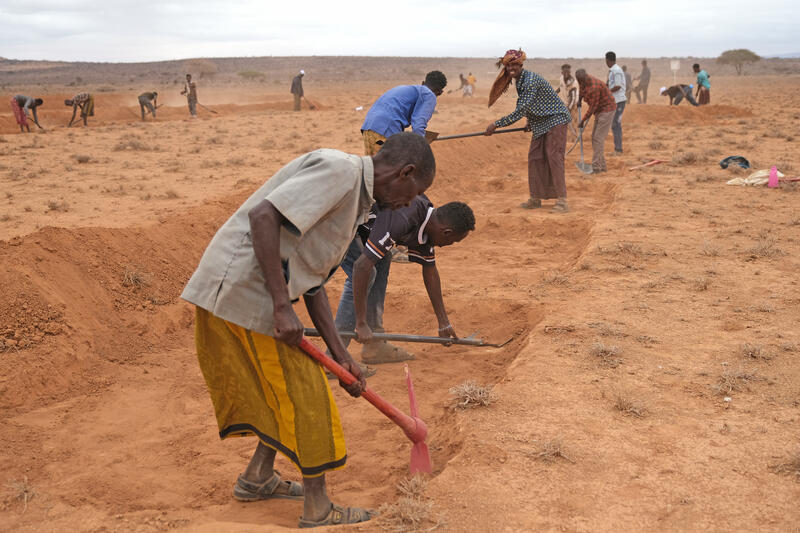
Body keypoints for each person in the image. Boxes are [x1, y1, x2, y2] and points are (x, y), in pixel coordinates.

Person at [181, 132, 435, 529]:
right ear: (405, 172)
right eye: (413, 194)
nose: (408, 204)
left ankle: (257, 477)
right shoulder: (340, 172)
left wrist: (341, 354)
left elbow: (314, 282)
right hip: (243, 295)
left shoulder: (356, 204)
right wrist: (282, 306)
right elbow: (263, 217)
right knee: (308, 395)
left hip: (253, 296)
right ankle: (318, 509)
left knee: (284, 391)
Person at [333, 197, 475, 364]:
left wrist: (444, 322)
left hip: (360, 223)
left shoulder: (427, 222)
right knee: (367, 272)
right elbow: (361, 267)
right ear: (447, 232)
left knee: (382, 257)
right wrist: (361, 322)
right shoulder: (404, 218)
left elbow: (430, 270)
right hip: (338, 220)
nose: (450, 244)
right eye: (454, 241)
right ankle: (335, 356)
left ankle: (375, 345)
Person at [485, 49, 571, 213]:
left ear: (521, 65)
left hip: (556, 119)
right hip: (541, 122)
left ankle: (562, 201)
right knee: (535, 157)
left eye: (515, 65)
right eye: (509, 66)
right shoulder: (520, 80)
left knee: (554, 158)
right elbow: (531, 104)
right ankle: (535, 198)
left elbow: (521, 110)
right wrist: (530, 121)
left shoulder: (529, 81)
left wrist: (496, 124)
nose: (512, 68)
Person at [360, 71, 447, 155]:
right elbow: (418, 124)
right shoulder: (430, 95)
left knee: (374, 164)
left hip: (369, 128)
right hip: (385, 130)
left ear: (423, 83)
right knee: (393, 164)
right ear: (440, 92)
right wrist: (421, 144)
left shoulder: (407, 89)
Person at [575, 69, 617, 174]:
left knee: (598, 138)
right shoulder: (582, 81)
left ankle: (596, 167)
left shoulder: (594, 87)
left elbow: (592, 107)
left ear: (585, 78)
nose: (581, 84)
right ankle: (602, 166)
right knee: (594, 138)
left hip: (607, 110)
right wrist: (579, 100)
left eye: (582, 81)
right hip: (599, 111)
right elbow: (581, 89)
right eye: (580, 82)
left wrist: (582, 121)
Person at [605, 51, 626, 154]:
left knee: (616, 124)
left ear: (607, 60)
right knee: (615, 125)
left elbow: (617, 86)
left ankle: (618, 149)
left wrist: (607, 92)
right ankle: (618, 148)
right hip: (615, 100)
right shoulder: (612, 70)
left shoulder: (616, 70)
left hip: (619, 100)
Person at [555, 64, 580, 138]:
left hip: (573, 104)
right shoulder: (561, 78)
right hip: (564, 104)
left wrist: (569, 109)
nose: (566, 74)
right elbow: (560, 87)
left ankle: (574, 138)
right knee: (564, 122)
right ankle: (566, 137)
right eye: (564, 72)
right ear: (562, 72)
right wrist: (554, 93)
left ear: (570, 72)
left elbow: (573, 98)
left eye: (567, 72)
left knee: (573, 122)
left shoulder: (573, 83)